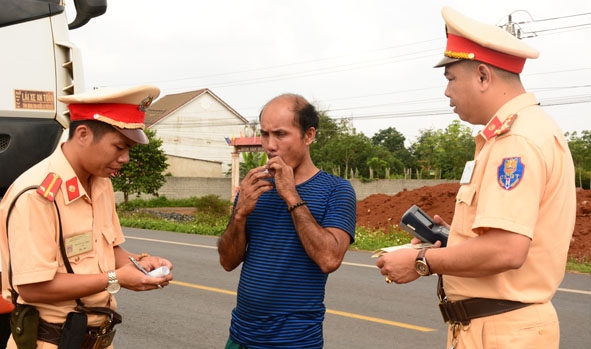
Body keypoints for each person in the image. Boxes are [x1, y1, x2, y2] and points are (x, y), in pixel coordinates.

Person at [376, 7, 576, 349]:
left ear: (482, 76)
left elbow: (506, 250)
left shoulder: (515, 141)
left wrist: (421, 262)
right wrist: (456, 239)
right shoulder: (527, 131)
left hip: (501, 333)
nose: (447, 92)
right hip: (498, 328)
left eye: (451, 79)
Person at [0, 85, 174, 349]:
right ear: (82, 134)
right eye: (119, 147)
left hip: (96, 338)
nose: (125, 158)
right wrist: (116, 278)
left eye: (129, 149)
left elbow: (109, 248)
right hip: (48, 341)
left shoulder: (101, 182)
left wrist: (141, 264)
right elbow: (33, 288)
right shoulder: (37, 194)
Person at [217, 93, 357, 348]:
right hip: (240, 336)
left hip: (295, 341)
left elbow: (329, 259)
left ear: (309, 135)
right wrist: (240, 215)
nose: (270, 145)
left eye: (280, 134)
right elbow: (227, 261)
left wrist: (290, 194)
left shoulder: (336, 190)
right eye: (265, 134)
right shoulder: (254, 188)